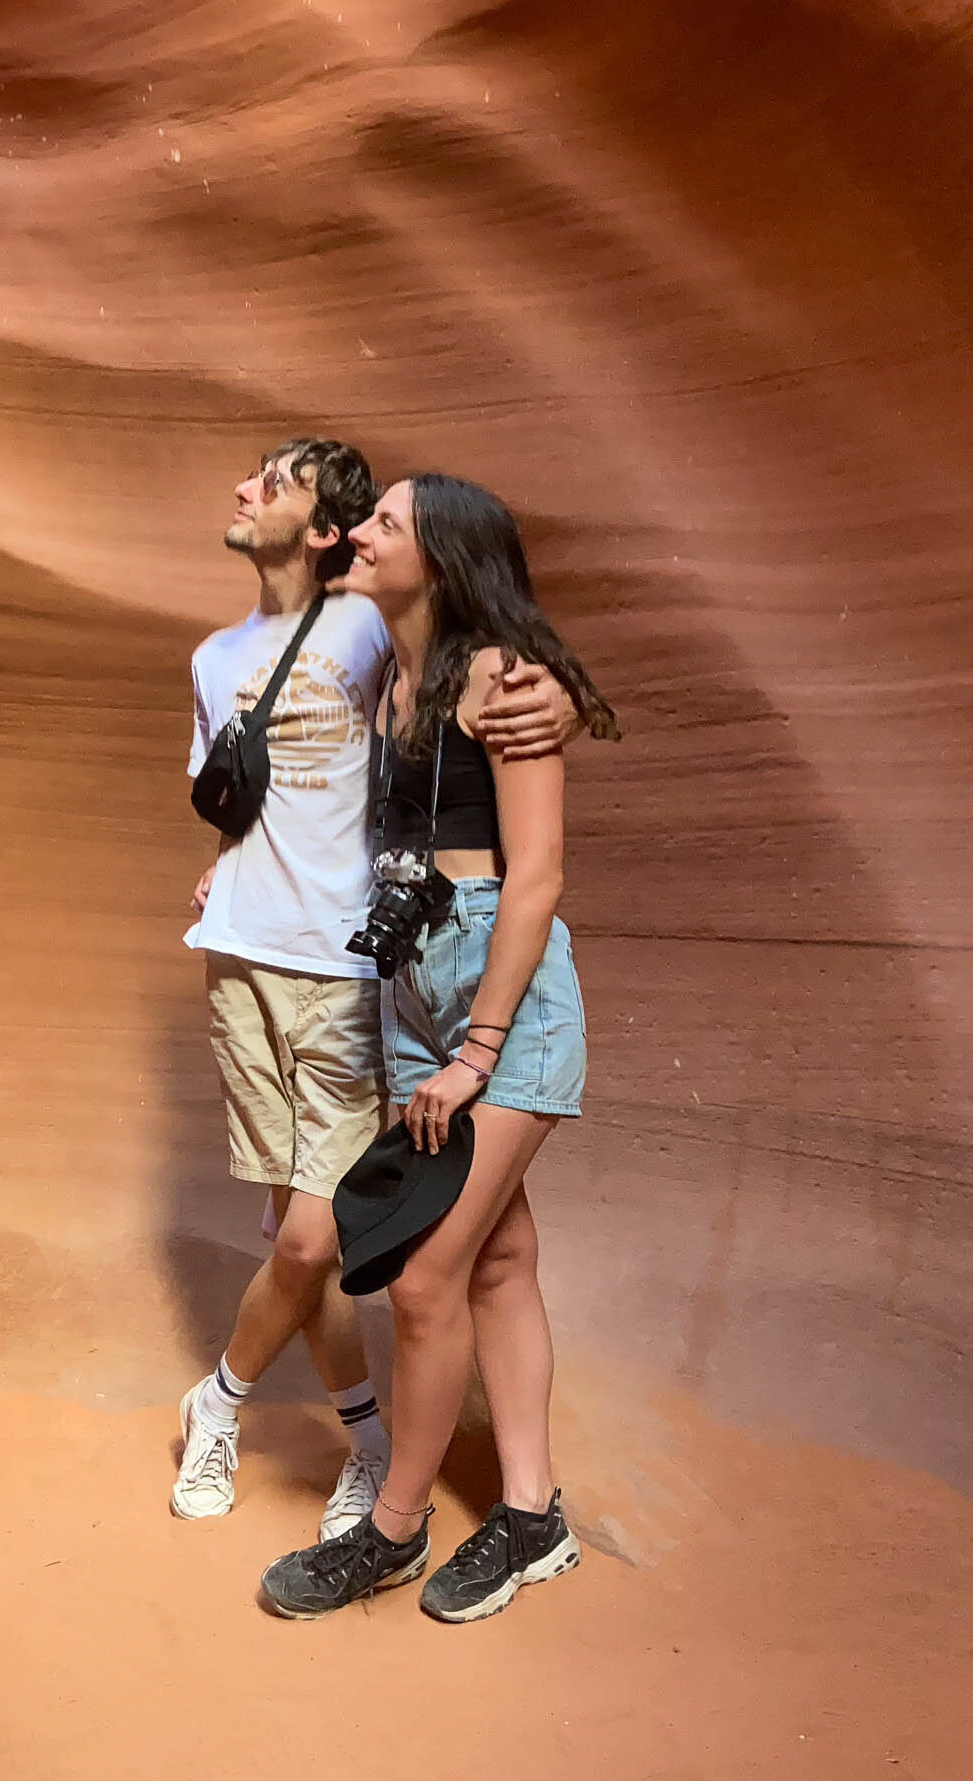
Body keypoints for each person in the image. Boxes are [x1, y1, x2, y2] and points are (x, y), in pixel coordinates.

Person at [174, 444, 578, 1538]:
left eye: (275, 482)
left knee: (358, 1250)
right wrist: (230, 852)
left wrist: (558, 703)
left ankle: (357, 1490)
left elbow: (502, 698)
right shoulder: (272, 656)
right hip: (318, 971)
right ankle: (428, 1467)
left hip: (388, 978)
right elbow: (255, 784)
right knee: (429, 1250)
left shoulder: (401, 636)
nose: (244, 491)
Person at [258, 471, 618, 1624]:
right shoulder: (385, 669)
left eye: (388, 524)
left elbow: (539, 874)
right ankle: (531, 1513)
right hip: (410, 989)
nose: (363, 534)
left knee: (425, 1280)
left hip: (495, 996)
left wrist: (479, 1052)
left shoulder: (505, 680)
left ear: (447, 559)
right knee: (500, 1261)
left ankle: (395, 1529)